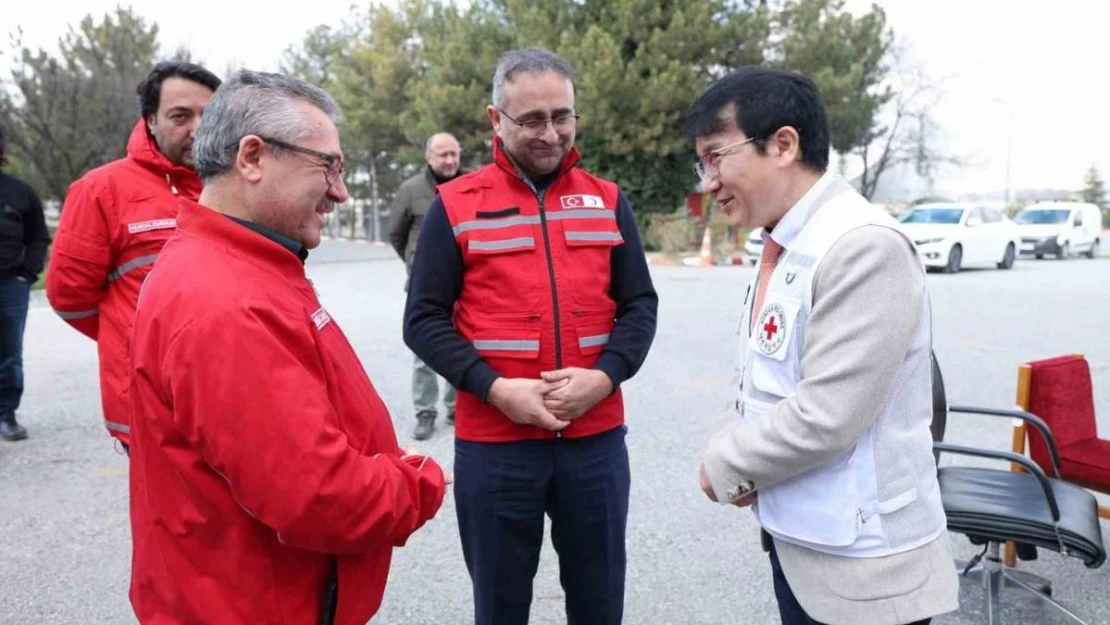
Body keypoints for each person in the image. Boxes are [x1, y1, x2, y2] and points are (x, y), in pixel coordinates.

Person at [128, 70, 447, 625]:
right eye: (328, 166)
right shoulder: (224, 301)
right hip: (253, 603)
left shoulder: (246, 266)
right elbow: (319, 497)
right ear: (252, 157)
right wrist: (418, 480)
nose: (340, 191)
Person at [689, 67, 959, 625]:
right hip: (804, 538)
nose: (708, 182)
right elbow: (759, 376)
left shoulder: (862, 246)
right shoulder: (786, 243)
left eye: (717, 157)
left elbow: (827, 417)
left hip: (865, 571)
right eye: (703, 163)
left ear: (783, 145)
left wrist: (723, 465)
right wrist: (739, 451)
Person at [404, 47, 658, 625]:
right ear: (497, 119)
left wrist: (605, 376)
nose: (551, 134)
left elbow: (640, 305)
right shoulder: (455, 205)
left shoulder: (609, 200)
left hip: (594, 444)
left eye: (562, 116)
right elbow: (423, 320)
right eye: (532, 120)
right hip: (495, 448)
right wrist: (495, 390)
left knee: (599, 603)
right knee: (500, 605)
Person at [46, 61, 221, 449]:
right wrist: (134, 335)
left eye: (208, 116)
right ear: (150, 121)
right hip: (151, 404)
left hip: (228, 390)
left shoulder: (235, 186)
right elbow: (70, 297)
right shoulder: (101, 190)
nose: (196, 129)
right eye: (180, 116)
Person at [388, 132, 463, 440]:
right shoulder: (411, 190)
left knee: (464, 344)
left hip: (466, 284)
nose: (449, 160)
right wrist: (416, 264)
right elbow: (396, 234)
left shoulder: (470, 185)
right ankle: (425, 411)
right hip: (424, 286)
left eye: (453, 154)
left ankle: (457, 405)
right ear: (429, 157)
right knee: (424, 350)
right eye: (443, 155)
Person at [0, 127, 51, 441]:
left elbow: (38, 237)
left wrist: (26, 275)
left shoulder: (20, 192)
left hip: (10, 286)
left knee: (8, 354)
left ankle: (6, 414)